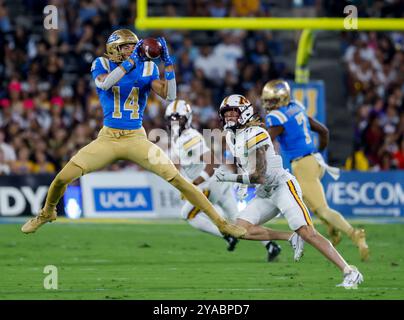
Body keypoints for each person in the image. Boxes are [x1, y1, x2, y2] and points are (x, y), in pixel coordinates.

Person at [21, 29, 246, 239]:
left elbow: (170, 96)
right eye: (126, 47)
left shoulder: (147, 67)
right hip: (108, 138)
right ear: (113, 49)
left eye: (132, 46)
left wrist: (168, 65)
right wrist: (130, 63)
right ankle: (47, 212)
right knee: (62, 177)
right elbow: (106, 84)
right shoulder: (101, 63)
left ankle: (221, 223)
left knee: (179, 180)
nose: (131, 50)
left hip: (136, 138)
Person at [214, 94, 363, 288]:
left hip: (282, 186)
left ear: (245, 112)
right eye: (226, 113)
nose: (229, 117)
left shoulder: (257, 133)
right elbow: (245, 165)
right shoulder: (231, 136)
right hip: (265, 192)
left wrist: (230, 178)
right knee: (239, 230)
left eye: (233, 112)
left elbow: (258, 175)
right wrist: (242, 185)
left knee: (308, 232)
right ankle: (290, 237)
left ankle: (350, 271)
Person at [261, 80, 369, 262]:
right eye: (267, 101)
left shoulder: (278, 117)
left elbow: (266, 141)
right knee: (309, 203)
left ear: (281, 99)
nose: (268, 105)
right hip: (315, 162)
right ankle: (333, 230)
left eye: (272, 101)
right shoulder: (296, 107)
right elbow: (324, 131)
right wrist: (318, 152)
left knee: (322, 209)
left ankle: (355, 234)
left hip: (303, 165)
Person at [165, 99, 281, 261]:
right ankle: (271, 245)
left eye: (178, 118)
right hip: (219, 182)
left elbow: (211, 162)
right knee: (240, 221)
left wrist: (193, 184)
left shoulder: (189, 137)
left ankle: (226, 235)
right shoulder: (180, 139)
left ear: (188, 118)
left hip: (210, 183)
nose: (175, 123)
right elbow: (177, 165)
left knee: (188, 214)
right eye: (171, 119)